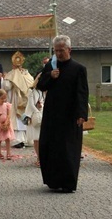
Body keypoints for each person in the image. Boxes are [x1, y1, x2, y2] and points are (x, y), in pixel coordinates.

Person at [37, 35, 89, 192]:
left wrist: (81, 114)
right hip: (52, 114)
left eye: (62, 50)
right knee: (50, 147)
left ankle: (68, 183)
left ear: (69, 50)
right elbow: (40, 85)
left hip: (70, 115)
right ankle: (53, 181)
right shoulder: (51, 66)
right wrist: (50, 77)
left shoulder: (79, 69)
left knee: (68, 149)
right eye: (56, 50)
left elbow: (82, 93)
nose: (59, 54)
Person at [2, 51, 34, 148]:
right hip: (22, 99)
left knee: (18, 118)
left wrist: (6, 78)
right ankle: (24, 139)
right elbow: (32, 83)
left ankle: (19, 140)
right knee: (21, 118)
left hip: (17, 100)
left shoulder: (13, 74)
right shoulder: (27, 73)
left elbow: (6, 86)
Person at [23, 73, 45, 167]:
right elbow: (31, 104)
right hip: (35, 116)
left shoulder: (43, 91)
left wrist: (41, 107)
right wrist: (37, 110)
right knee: (37, 138)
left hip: (41, 114)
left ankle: (41, 157)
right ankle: (39, 158)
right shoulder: (32, 91)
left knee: (41, 138)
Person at [0, 89, 15, 160]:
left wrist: (7, 121)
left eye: (5, 98)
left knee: (7, 138)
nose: (4, 100)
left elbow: (9, 114)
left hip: (6, 123)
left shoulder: (7, 105)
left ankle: (8, 153)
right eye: (1, 99)